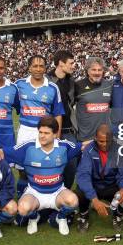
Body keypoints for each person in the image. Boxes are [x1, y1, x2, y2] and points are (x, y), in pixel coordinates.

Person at [1, 116, 81, 236]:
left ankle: (61, 217)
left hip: (57, 192)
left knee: (73, 201)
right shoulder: (28, 147)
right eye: (40, 132)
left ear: (55, 134)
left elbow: (83, 146)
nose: (42, 136)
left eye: (46, 133)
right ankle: (34, 218)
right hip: (35, 193)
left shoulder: (64, 146)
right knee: (23, 209)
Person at [14, 56, 64, 196]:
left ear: (45, 68)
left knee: (45, 166)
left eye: (41, 66)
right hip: (25, 130)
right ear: (29, 67)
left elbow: (58, 113)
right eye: (35, 66)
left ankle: (43, 197)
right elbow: (15, 105)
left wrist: (57, 136)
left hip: (45, 132)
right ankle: (23, 199)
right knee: (23, 169)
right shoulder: (19, 84)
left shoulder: (53, 88)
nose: (38, 69)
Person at [75, 124, 123, 232]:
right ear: (95, 138)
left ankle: (118, 215)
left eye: (108, 141)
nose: (105, 145)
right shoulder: (88, 150)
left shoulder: (120, 150)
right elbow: (83, 175)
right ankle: (84, 215)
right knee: (80, 192)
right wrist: (94, 199)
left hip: (112, 187)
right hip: (94, 186)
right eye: (101, 141)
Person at [47, 50, 77, 189]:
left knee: (71, 165)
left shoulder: (72, 82)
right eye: (71, 63)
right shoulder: (46, 81)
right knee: (49, 164)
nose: (73, 65)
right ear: (60, 63)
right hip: (50, 130)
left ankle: (66, 194)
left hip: (69, 131)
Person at [74, 57, 113, 142]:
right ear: (87, 70)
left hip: (105, 137)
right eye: (94, 70)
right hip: (85, 138)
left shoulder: (109, 85)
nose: (97, 73)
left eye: (100, 70)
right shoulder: (77, 85)